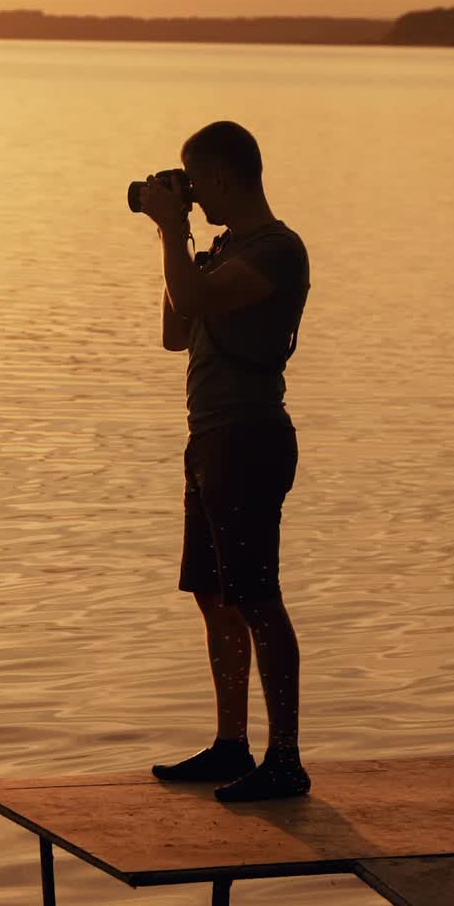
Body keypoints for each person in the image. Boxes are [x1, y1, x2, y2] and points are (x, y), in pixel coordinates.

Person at [136, 120, 312, 801]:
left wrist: (170, 233)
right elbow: (174, 332)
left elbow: (197, 300)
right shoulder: (219, 251)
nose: (191, 196)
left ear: (223, 176)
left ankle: (286, 757)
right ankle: (232, 743)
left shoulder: (276, 252)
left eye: (194, 181)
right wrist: (175, 240)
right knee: (214, 596)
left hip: (249, 438)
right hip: (208, 438)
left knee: (257, 596)